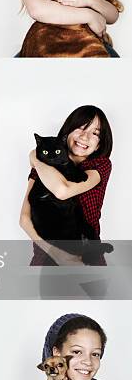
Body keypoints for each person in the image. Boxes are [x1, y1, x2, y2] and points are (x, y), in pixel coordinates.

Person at [20, 105, 112, 266]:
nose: (85, 136)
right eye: (81, 128)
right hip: (47, 258)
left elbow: (63, 191)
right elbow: (24, 219)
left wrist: (35, 159)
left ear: (99, 144)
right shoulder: (44, 164)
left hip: (87, 257)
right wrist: (58, 255)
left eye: (95, 133)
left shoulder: (100, 165)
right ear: (68, 131)